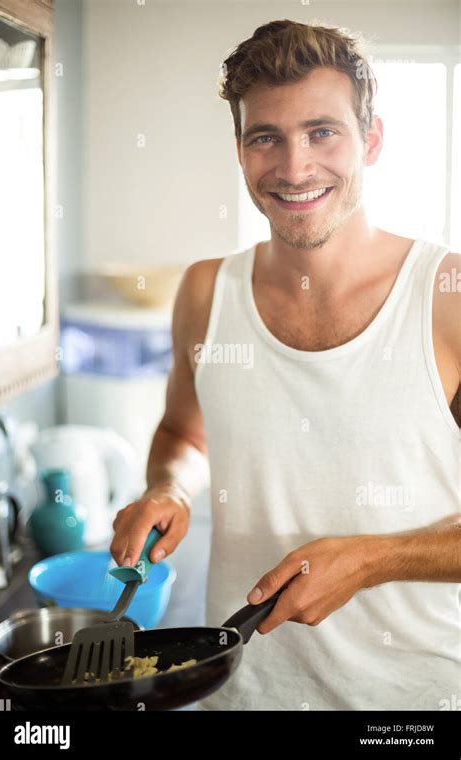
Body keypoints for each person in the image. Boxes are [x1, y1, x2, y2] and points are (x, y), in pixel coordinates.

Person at [111, 20, 460, 710]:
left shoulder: (444, 299)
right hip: (238, 692)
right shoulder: (208, 291)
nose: (294, 168)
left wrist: (369, 560)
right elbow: (184, 433)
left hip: (412, 702)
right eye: (265, 137)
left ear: (373, 139)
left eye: (323, 132)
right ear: (240, 151)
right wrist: (171, 490)